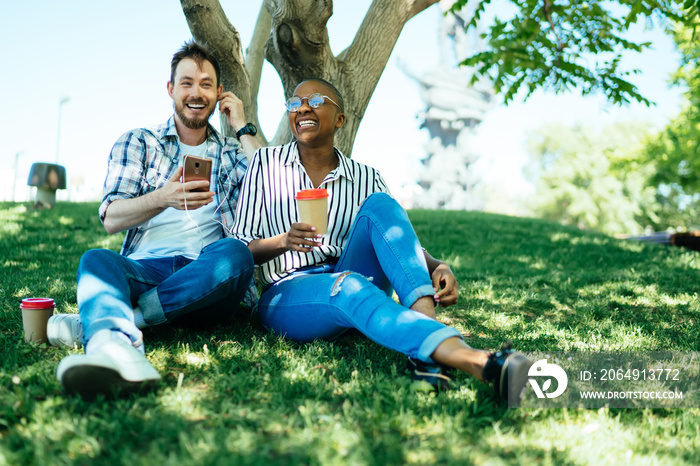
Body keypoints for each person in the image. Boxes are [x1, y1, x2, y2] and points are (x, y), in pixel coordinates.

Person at [231, 77, 532, 404]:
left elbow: (396, 237)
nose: (302, 107)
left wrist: (437, 264)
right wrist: (284, 242)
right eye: (294, 103)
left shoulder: (366, 176)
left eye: (315, 101)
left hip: (349, 271)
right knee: (349, 285)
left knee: (382, 206)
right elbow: (240, 252)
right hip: (288, 292)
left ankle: (425, 348)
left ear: (340, 119)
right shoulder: (266, 163)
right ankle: (484, 364)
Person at [50, 41, 262, 399]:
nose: (197, 92)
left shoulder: (232, 151)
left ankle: (118, 322)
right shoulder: (139, 142)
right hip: (148, 271)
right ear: (171, 89)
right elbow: (111, 218)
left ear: (219, 93)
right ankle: (111, 351)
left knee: (235, 254)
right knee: (97, 260)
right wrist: (163, 198)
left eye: (207, 84)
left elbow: (269, 184)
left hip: (210, 276)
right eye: (187, 83)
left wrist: (241, 125)